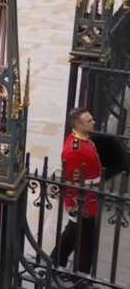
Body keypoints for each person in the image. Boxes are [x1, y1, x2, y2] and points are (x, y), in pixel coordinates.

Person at [50, 108, 102, 274]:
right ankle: (81, 275)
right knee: (86, 242)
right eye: (89, 121)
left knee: (72, 235)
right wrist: (73, 204)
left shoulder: (85, 139)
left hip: (89, 197)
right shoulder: (74, 150)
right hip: (83, 202)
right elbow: (72, 181)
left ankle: (55, 263)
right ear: (78, 125)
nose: (93, 122)